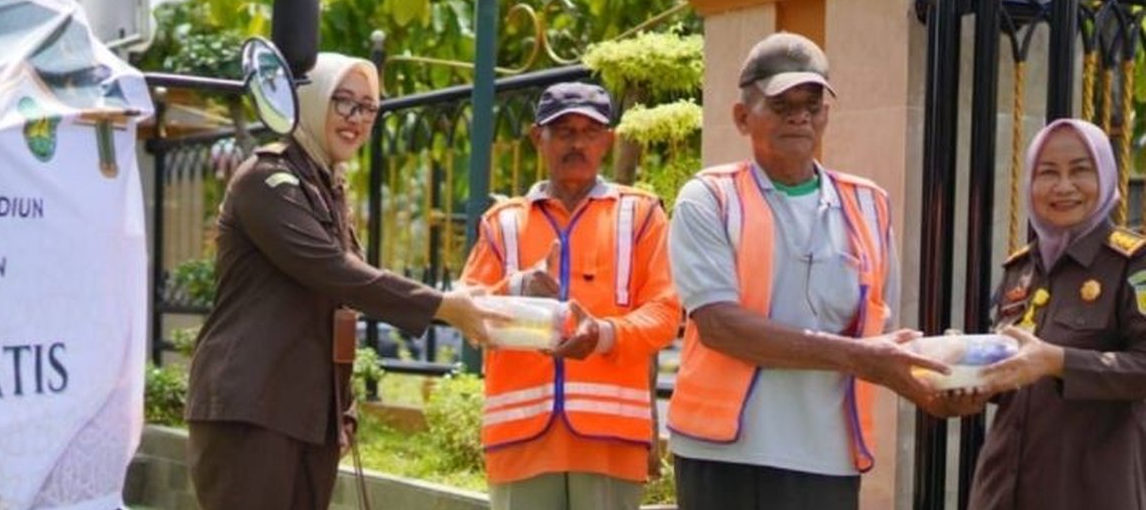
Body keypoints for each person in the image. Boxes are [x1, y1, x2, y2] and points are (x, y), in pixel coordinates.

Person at [186, 52, 503, 510]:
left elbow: (337, 305)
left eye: (368, 108)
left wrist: (342, 408)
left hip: (307, 413)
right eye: (344, 102)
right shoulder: (266, 180)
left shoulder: (326, 185)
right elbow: (334, 271)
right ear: (309, 101)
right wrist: (444, 306)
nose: (356, 119)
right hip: (251, 407)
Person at [666, 33, 948, 510]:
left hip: (827, 456)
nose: (800, 116)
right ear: (741, 117)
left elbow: (883, 335)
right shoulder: (709, 198)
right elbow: (720, 327)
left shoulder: (869, 204)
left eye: (812, 105)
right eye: (781, 105)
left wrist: (939, 384)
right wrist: (861, 357)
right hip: (725, 454)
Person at [460, 81, 681, 510]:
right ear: (537, 137)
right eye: (563, 131)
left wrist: (602, 334)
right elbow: (466, 314)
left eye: (590, 132)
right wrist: (519, 287)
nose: (577, 143)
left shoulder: (641, 214)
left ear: (608, 141)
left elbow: (666, 313)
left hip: (609, 441)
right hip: (519, 438)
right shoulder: (501, 223)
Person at [963, 118, 1146, 509]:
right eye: (1048, 173)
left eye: (1080, 171)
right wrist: (966, 372)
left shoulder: (1132, 265)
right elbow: (1013, 378)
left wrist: (1056, 362)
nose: (1063, 187)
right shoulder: (1021, 268)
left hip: (1090, 491)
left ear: (1106, 177)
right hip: (1002, 490)